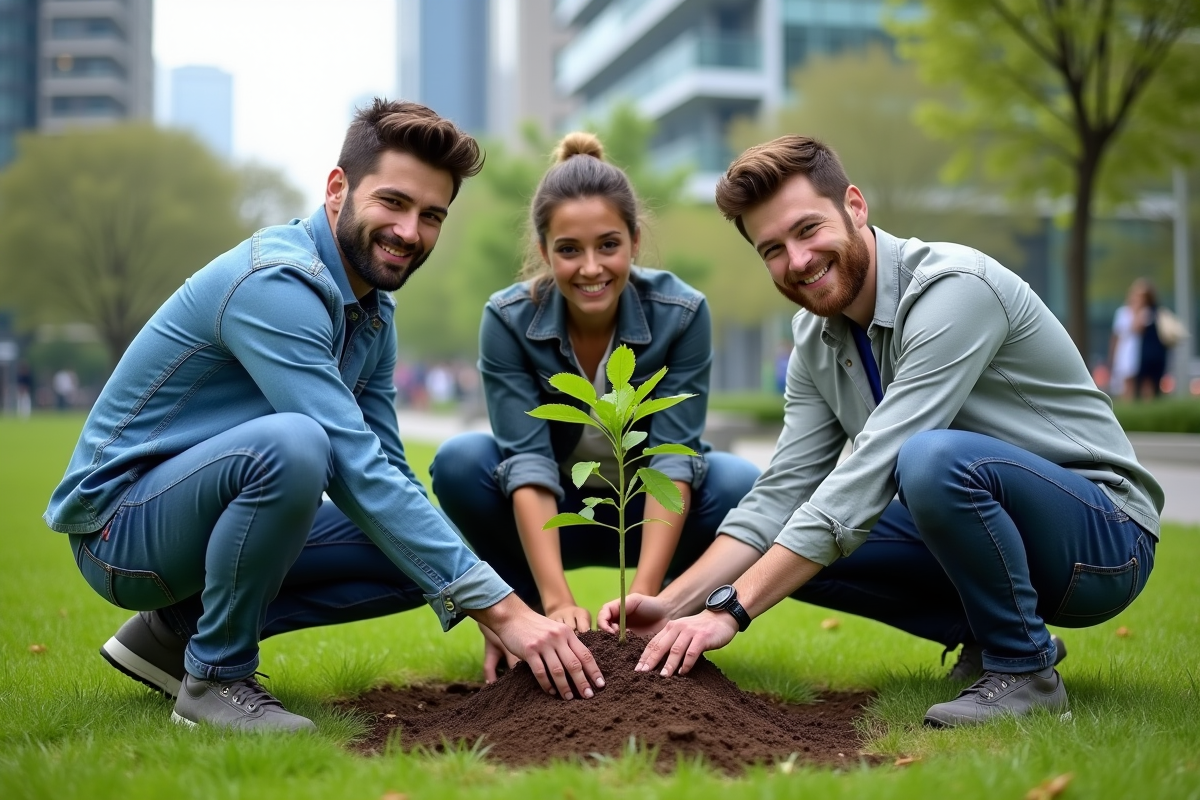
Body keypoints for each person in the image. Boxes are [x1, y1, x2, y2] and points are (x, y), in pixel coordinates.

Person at [43, 100, 603, 733]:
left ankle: (172, 635)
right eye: (393, 202)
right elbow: (349, 460)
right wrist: (505, 610)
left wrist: (486, 596)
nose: (409, 232)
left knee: (429, 547)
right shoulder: (275, 283)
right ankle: (215, 679)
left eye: (431, 215)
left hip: (199, 513)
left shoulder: (373, 311)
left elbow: (388, 468)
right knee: (298, 445)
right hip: (121, 531)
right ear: (338, 189)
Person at [598, 135, 1162, 728]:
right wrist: (673, 604)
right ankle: (993, 634)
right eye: (773, 250)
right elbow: (783, 493)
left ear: (855, 206)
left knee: (929, 461)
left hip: (1103, 542)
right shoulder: (814, 339)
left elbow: (875, 469)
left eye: (808, 229)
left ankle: (1025, 671)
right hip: (999, 533)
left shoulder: (955, 290)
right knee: (793, 535)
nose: (798, 260)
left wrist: (731, 610)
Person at [430, 132, 760, 682]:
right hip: (557, 511)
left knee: (736, 482)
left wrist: (647, 599)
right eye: (568, 250)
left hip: (648, 511)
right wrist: (554, 603)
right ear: (544, 252)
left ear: (634, 240)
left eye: (608, 245)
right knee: (461, 461)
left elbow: (672, 459)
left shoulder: (682, 313)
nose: (590, 268)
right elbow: (528, 463)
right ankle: (518, 620)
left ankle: (674, 621)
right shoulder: (507, 319)